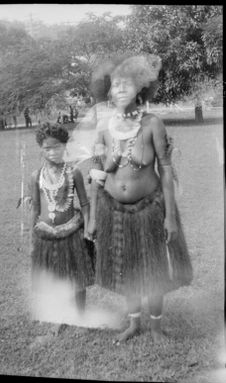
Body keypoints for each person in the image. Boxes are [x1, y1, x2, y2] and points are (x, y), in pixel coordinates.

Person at [87, 55, 193, 344]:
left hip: (150, 208)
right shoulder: (104, 128)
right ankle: (134, 324)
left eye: (127, 84)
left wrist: (170, 216)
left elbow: (166, 169)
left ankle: (157, 328)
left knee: (154, 268)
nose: (120, 89)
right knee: (127, 267)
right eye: (115, 85)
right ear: (108, 91)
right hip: (114, 210)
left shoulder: (152, 123)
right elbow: (97, 175)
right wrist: (94, 217)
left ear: (140, 90)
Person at [29, 122, 94, 314]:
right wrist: (34, 235)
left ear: (65, 146)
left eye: (57, 146)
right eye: (47, 148)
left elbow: (84, 203)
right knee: (53, 278)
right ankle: (60, 317)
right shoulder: (36, 176)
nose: (52, 152)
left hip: (72, 232)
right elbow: (36, 207)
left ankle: (80, 315)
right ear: (41, 148)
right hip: (46, 234)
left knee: (77, 277)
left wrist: (89, 226)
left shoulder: (73, 172)